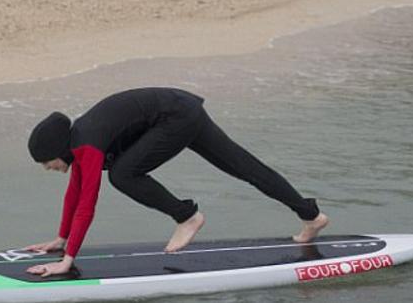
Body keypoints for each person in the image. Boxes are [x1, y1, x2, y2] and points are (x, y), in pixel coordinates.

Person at [24, 87, 329, 277]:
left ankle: (188, 216)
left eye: (46, 162)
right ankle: (311, 216)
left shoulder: (86, 145)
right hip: (183, 110)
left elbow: (87, 204)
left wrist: (68, 260)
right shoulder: (80, 143)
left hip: (176, 116)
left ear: (58, 151)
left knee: (123, 174)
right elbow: (75, 193)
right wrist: (61, 239)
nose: (48, 168)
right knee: (243, 166)